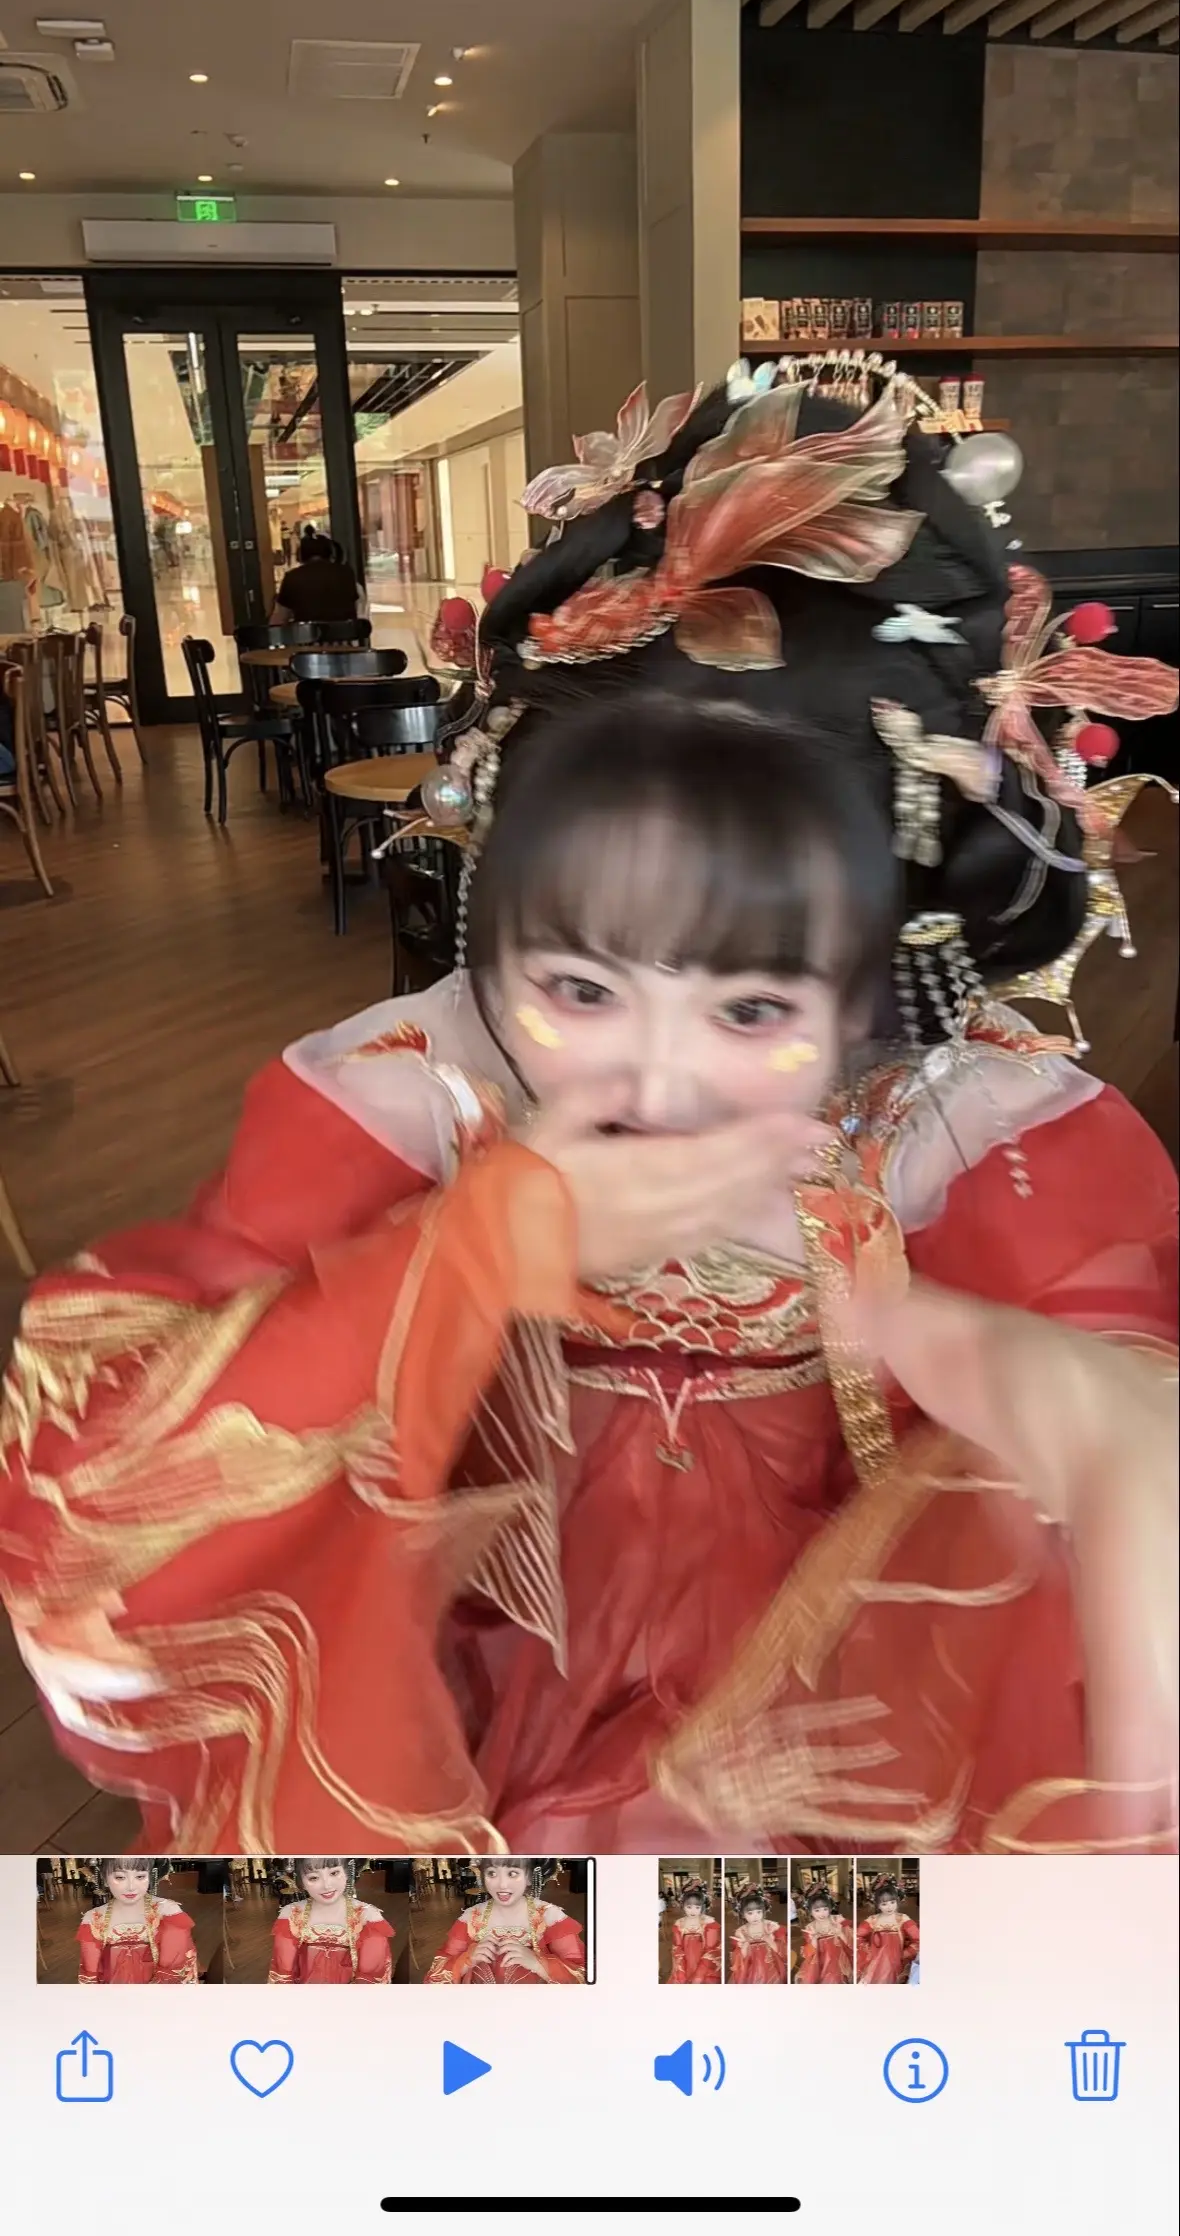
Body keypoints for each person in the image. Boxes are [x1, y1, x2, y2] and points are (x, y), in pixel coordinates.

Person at [1, 364, 1176, 1858]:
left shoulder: (965, 1127)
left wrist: (1073, 1400)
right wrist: (463, 1252)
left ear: (874, 972)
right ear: (494, 915)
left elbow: (1084, 1367)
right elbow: (104, 1478)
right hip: (479, 1699)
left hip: (823, 1725)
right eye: (577, 984)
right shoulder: (410, 1092)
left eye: (753, 1008)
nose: (657, 1077)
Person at [424, 1856, 585, 1981]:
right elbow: (436, 1974)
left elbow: (581, 1974)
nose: (501, 1885)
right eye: (492, 1873)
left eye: (512, 1873)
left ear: (530, 1876)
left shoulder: (550, 1917)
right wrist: (466, 1960)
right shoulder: (471, 1917)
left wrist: (538, 1963)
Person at [267, 1857, 393, 1983]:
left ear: (347, 1872)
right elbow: (282, 1974)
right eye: (313, 1878)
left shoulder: (368, 1916)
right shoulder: (291, 1914)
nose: (327, 1885)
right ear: (301, 1881)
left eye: (334, 1873)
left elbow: (372, 1977)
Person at [77, 1858, 197, 1984]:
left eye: (140, 1877)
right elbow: (90, 1974)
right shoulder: (93, 1918)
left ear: (150, 1876)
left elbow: (175, 1969)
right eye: (120, 1877)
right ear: (105, 1879)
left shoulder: (167, 1912)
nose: (131, 1887)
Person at [270, 529, 361, 626]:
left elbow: (279, 619)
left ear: (301, 555)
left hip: (307, 634)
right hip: (344, 633)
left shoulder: (292, 577)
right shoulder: (346, 573)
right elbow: (358, 608)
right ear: (330, 554)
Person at [857, 1878, 919, 1985]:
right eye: (884, 1904)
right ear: (878, 1905)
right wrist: (869, 1951)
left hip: (896, 1963)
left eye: (892, 1902)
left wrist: (904, 1954)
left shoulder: (903, 1919)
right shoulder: (872, 1920)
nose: (889, 1907)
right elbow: (858, 1937)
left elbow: (918, 1940)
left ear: (897, 1901)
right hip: (876, 1963)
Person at [727, 1886, 788, 1985]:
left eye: (759, 1912)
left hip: (772, 1965)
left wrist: (770, 1940)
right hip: (750, 1967)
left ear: (763, 1911)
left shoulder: (771, 1926)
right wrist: (744, 1947)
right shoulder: (741, 1932)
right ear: (742, 1914)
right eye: (750, 1913)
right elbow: (737, 1959)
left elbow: (783, 1952)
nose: (755, 1916)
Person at [795, 1884, 853, 1985]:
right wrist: (814, 1939)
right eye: (817, 1910)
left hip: (839, 1958)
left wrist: (840, 1933)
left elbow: (851, 1943)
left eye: (825, 1909)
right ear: (810, 1912)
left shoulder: (838, 1920)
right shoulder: (810, 1928)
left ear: (830, 1908)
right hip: (819, 1961)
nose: (822, 1914)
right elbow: (808, 1953)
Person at [669, 1882, 722, 1984]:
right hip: (685, 1962)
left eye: (697, 1907)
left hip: (705, 1963)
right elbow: (677, 1947)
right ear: (683, 1906)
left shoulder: (709, 1923)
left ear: (702, 1907)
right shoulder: (679, 1924)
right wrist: (681, 1971)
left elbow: (711, 1949)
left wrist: (699, 1974)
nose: (693, 1911)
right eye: (689, 1907)